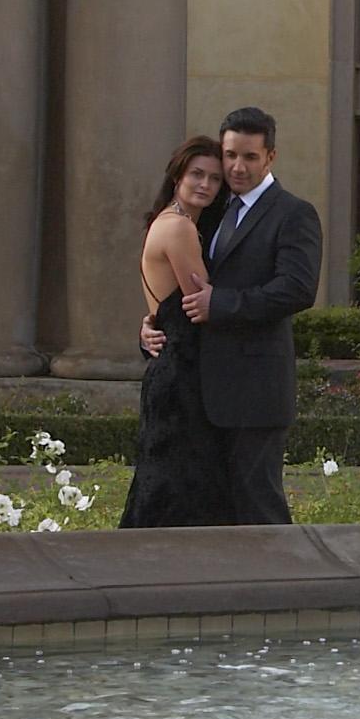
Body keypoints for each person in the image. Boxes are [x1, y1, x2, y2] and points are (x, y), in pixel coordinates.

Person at [143, 106, 320, 525]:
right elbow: (175, 288)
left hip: (255, 393)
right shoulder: (209, 211)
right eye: (230, 155)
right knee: (209, 510)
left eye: (250, 157)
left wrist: (218, 304)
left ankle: (286, 590)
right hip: (198, 392)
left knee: (258, 507)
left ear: (270, 157)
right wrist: (152, 329)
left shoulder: (294, 213)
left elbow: (297, 289)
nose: (237, 167)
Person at [120, 135, 233, 528]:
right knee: (176, 489)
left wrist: (147, 328)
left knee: (167, 485)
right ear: (177, 176)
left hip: (172, 369)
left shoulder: (169, 222)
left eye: (215, 179)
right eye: (196, 174)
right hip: (181, 378)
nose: (205, 184)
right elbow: (202, 305)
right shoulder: (180, 228)